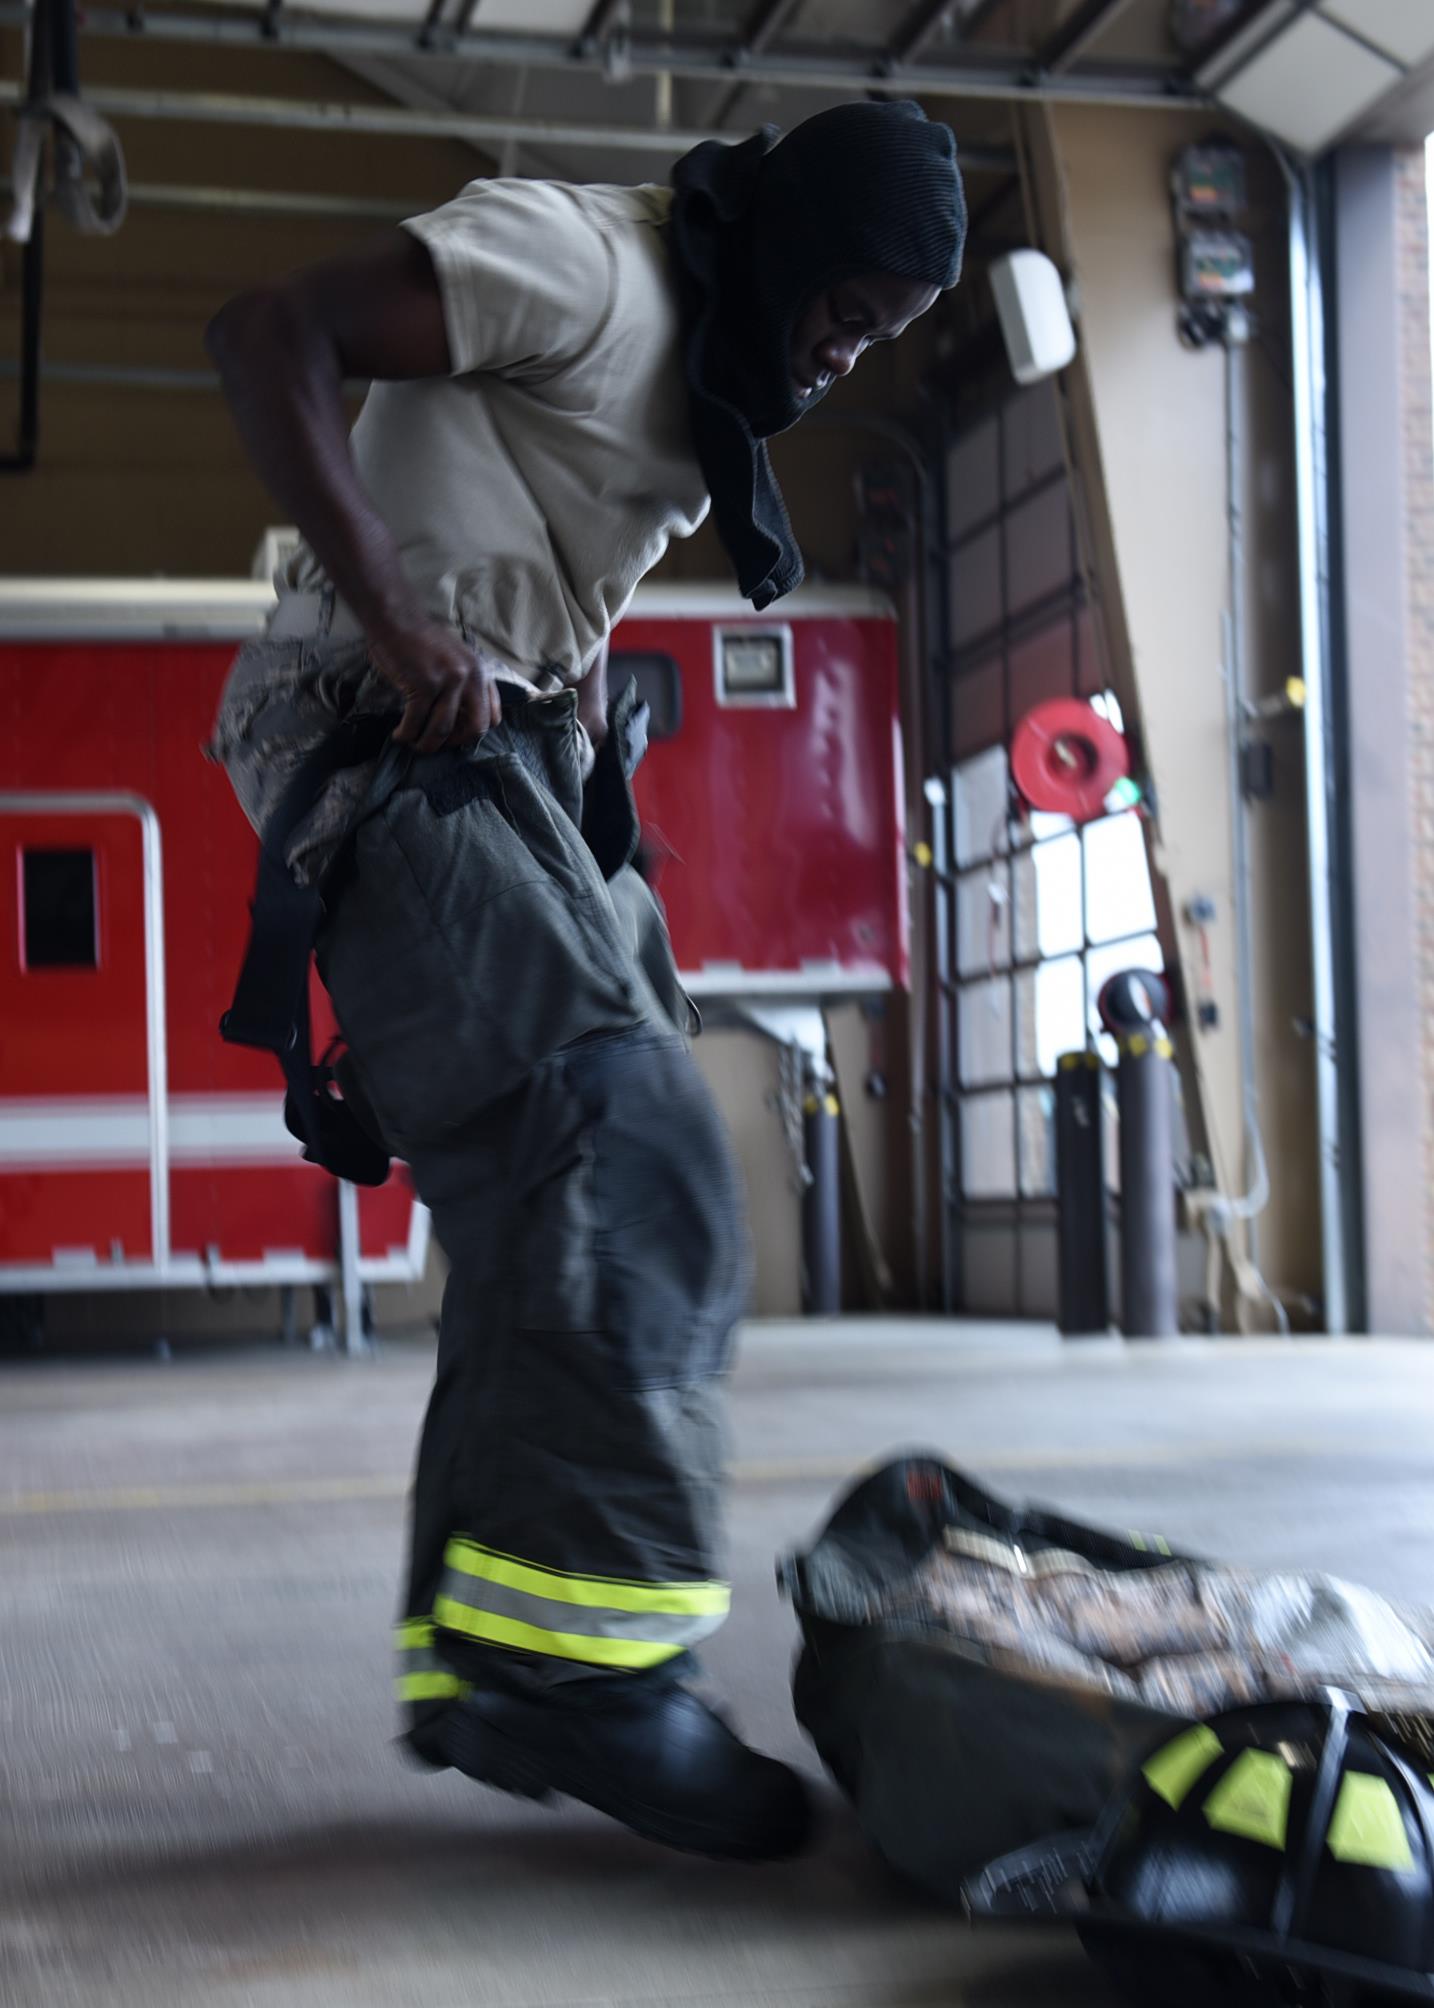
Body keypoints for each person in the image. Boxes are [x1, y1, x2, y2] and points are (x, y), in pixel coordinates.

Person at [207, 98, 966, 1862]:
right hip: (377, 722)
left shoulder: (699, 378)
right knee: (632, 1164)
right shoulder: (586, 264)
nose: (846, 352)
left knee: (559, 1212)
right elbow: (268, 333)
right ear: (789, 243)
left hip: (513, 756)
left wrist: (576, 692)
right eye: (846, 307)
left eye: (883, 337)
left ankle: (498, 1668)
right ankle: (597, 1687)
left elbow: (523, 525)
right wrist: (400, 618)